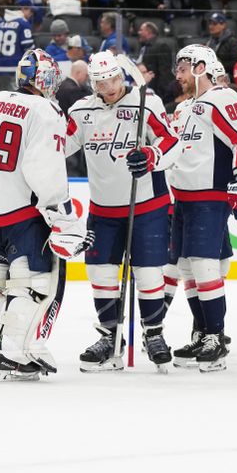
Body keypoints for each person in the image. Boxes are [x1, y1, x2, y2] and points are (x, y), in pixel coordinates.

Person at [0, 48, 92, 381]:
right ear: (43, 79)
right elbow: (44, 170)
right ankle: (14, 350)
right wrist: (63, 220)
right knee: (35, 282)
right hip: (21, 214)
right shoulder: (46, 110)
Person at [65, 51, 180, 372]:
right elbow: (58, 145)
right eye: (101, 82)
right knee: (100, 273)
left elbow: (173, 141)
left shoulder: (146, 104)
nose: (109, 87)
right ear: (92, 83)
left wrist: (151, 155)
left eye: (113, 79)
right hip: (103, 209)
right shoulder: (82, 111)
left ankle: (154, 334)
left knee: (148, 273)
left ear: (122, 76)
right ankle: (109, 335)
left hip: (147, 205)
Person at [169, 44, 237, 371]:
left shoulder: (219, 98)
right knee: (189, 269)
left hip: (209, 196)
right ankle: (202, 330)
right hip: (184, 197)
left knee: (204, 266)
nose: (177, 75)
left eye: (182, 68)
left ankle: (215, 338)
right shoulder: (187, 108)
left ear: (200, 67)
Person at [0, 0, 34, 90]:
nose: (31, 14)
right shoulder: (23, 23)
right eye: (30, 10)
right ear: (22, 9)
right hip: (14, 66)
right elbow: (29, 48)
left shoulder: (0, 23)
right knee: (16, 95)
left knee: (4, 94)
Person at [137, 22, 173, 102]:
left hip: (157, 92)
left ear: (148, 32)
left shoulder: (161, 46)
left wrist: (161, 94)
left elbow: (165, 72)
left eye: (141, 30)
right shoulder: (145, 46)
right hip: (146, 88)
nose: (138, 32)